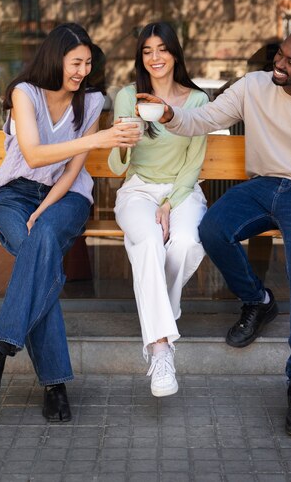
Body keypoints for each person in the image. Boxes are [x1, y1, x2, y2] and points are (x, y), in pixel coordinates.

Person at [137, 25, 291, 435]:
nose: (279, 64)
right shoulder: (253, 86)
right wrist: (172, 114)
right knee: (212, 230)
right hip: (263, 185)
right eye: (280, 54)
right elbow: (205, 118)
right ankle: (258, 300)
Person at [0, 23, 140, 421]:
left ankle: (1, 349)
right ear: (56, 57)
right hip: (14, 195)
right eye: (75, 62)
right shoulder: (23, 93)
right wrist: (96, 140)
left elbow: (70, 172)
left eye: (86, 63)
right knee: (41, 257)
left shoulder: (92, 102)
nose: (82, 71)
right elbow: (33, 154)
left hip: (67, 198)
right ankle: (53, 384)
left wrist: (45, 209)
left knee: (41, 241)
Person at [108, 22, 208, 397]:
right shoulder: (128, 96)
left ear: (175, 53)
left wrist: (169, 204)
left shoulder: (197, 100)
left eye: (162, 49)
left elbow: (194, 162)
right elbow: (118, 167)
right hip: (137, 190)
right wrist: (125, 140)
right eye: (147, 51)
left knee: (184, 242)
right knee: (149, 243)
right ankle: (161, 348)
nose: (155, 58)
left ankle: (156, 309)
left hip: (182, 191)